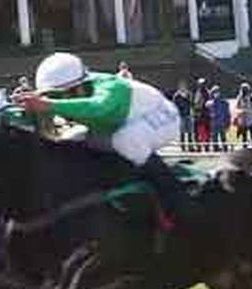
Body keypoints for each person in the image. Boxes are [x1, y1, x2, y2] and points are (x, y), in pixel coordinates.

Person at [14, 52, 186, 223]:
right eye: (54, 96)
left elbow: (98, 108)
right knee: (71, 139)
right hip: (121, 124)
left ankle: (175, 197)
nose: (60, 100)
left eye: (64, 94)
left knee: (125, 139)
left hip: (163, 119)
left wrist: (48, 105)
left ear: (81, 85)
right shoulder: (73, 89)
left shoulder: (110, 86)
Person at [171, 80, 195, 151]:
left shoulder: (189, 94)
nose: (183, 87)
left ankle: (191, 147)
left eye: (184, 86)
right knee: (182, 132)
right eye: (181, 86)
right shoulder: (176, 96)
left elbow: (192, 104)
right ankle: (183, 147)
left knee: (190, 132)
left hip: (188, 115)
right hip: (181, 116)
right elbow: (174, 106)